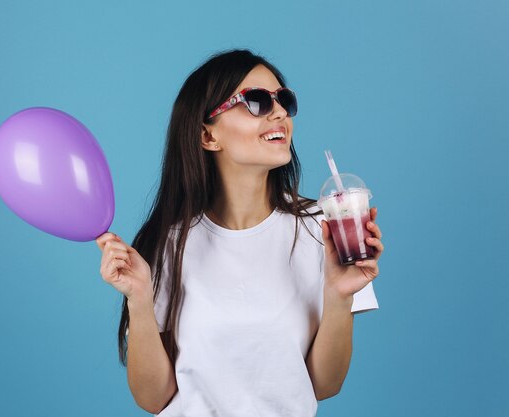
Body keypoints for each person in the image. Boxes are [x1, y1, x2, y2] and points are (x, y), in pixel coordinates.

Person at [95, 49, 384, 417]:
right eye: (257, 101)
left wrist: (339, 295)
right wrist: (139, 298)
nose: (279, 112)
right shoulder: (168, 243)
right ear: (207, 136)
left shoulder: (322, 229)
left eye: (284, 100)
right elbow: (153, 398)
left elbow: (324, 385)